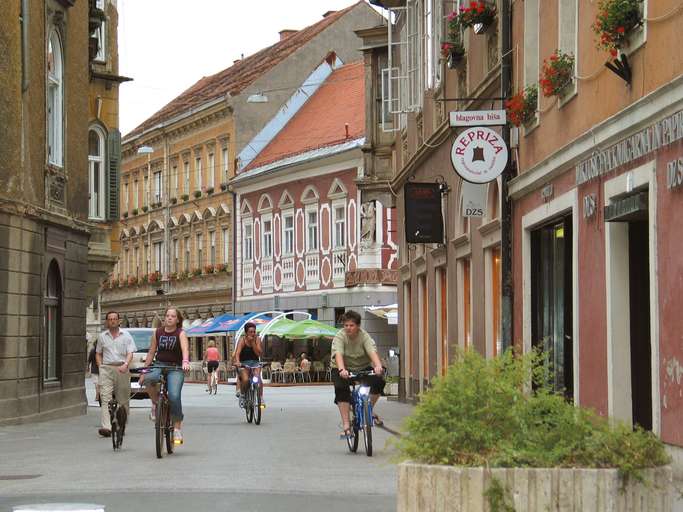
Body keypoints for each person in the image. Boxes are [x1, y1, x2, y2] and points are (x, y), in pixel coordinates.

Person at [138, 307, 190, 445]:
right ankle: (156, 403)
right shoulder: (158, 332)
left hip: (176, 367)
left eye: (173, 316)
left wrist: (185, 362)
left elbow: (185, 349)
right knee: (148, 379)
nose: (169, 318)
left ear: (177, 319)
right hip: (159, 364)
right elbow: (151, 352)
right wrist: (144, 371)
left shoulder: (180, 333)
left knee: (174, 395)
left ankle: (177, 428)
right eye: (167, 315)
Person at [330, 310, 385, 439]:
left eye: (352, 325)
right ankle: (346, 426)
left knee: (379, 381)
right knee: (341, 389)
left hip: (362, 367)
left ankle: (368, 409)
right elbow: (338, 354)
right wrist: (341, 370)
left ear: (358, 326)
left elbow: (372, 352)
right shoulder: (340, 336)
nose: (348, 328)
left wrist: (378, 366)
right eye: (346, 325)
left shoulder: (364, 336)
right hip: (343, 368)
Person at [96, 312, 137, 438]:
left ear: (119, 321)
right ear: (107, 322)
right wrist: (100, 366)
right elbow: (98, 353)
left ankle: (121, 425)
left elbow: (130, 352)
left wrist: (126, 364)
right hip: (107, 369)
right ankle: (107, 427)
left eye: (115, 319)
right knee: (105, 397)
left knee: (123, 400)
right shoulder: (102, 337)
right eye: (110, 319)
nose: (112, 321)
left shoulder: (126, 335)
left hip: (122, 368)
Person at [233, 322, 264, 407]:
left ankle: (260, 397)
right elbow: (237, 353)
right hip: (244, 364)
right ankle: (243, 395)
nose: (253, 333)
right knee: (246, 380)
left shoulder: (257, 339)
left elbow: (259, 354)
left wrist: (253, 343)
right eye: (250, 332)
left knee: (258, 379)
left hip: (255, 363)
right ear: (246, 333)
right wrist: (238, 362)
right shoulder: (242, 340)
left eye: (254, 331)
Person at [87, 339, 100, 403]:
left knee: (96, 383)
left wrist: (87, 367)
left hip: (94, 370)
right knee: (100, 384)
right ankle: (99, 395)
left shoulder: (92, 351)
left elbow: (89, 360)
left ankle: (97, 396)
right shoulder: (102, 351)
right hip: (101, 369)